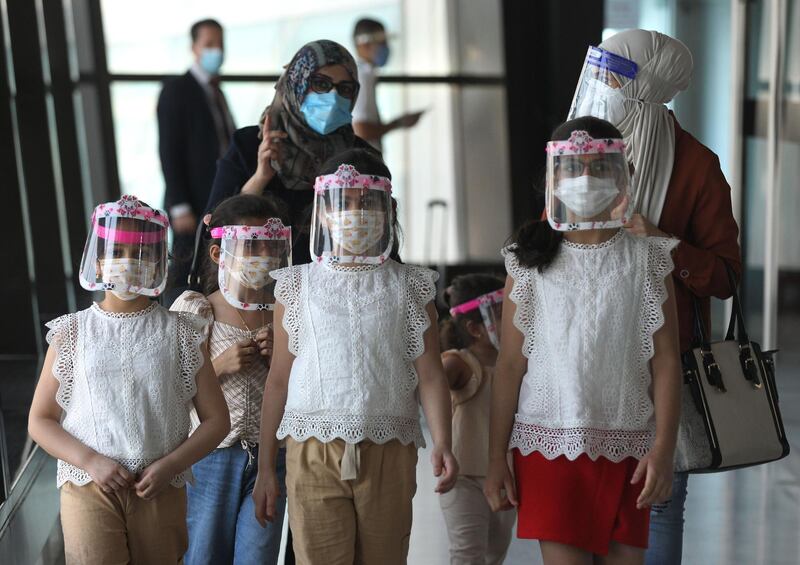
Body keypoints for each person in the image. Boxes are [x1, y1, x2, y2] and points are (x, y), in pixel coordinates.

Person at [568, 29, 742, 565]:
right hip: (581, 360)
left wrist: (663, 244)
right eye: (600, 71)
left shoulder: (696, 164)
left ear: (650, 84)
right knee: (581, 501)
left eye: (616, 75)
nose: (603, 85)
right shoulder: (579, 150)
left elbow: (726, 278)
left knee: (658, 500)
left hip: (662, 362)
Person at [485, 117, 682, 564]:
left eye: (599, 167)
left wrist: (664, 450)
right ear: (553, 179)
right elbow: (511, 367)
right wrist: (496, 458)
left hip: (630, 446)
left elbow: (667, 360)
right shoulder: (527, 260)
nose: (586, 179)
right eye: (574, 168)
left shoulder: (650, 257)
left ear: (621, 175)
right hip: (548, 446)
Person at [252, 148, 458, 564]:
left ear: (387, 210)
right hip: (311, 447)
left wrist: (444, 442)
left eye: (367, 202)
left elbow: (431, 375)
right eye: (342, 202)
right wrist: (264, 470)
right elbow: (278, 380)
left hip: (389, 446)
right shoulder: (296, 286)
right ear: (322, 213)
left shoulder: (411, 287)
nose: (355, 212)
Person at [27, 195, 230, 565]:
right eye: (117, 251)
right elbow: (40, 420)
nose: (127, 262)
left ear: (158, 262)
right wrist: (89, 460)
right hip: (88, 486)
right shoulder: (72, 333)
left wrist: (172, 465)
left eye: (140, 253)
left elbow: (217, 420)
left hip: (159, 487)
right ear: (99, 260)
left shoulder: (183, 333)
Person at [171, 194, 291, 564]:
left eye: (268, 246)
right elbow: (169, 390)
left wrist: (281, 361)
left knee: (258, 556)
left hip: (272, 458)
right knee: (204, 554)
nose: (261, 255)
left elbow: (299, 387)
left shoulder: (284, 312)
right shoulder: (197, 309)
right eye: (248, 245)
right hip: (210, 458)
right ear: (218, 254)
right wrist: (218, 366)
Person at [205, 40, 380, 266]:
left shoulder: (359, 156)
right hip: (259, 285)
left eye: (344, 89)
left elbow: (381, 233)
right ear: (297, 82)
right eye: (321, 84)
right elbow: (214, 228)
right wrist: (260, 177)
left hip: (335, 286)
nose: (333, 96)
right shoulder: (249, 144)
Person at [439, 274, 514, 565]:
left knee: (495, 554)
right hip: (463, 479)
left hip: (505, 477)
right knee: (468, 554)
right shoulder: (459, 362)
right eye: (501, 315)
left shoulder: (515, 363)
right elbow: (434, 381)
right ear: (475, 328)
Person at [158, 18, 236, 296]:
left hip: (218, 197)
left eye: (220, 44)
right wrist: (179, 204)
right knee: (184, 273)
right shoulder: (177, 89)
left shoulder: (217, 92)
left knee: (212, 269)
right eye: (209, 44)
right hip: (190, 202)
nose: (217, 50)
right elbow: (169, 149)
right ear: (194, 47)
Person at [351, 18, 423, 151]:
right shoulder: (362, 77)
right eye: (381, 41)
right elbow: (361, 130)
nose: (385, 47)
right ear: (364, 44)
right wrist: (398, 123)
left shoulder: (366, 75)